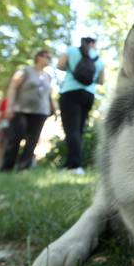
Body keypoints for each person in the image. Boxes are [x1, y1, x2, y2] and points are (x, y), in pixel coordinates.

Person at [0, 50, 55, 171]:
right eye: (48, 57)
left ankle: (24, 167)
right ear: (39, 57)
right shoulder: (25, 71)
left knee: (32, 140)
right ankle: (7, 167)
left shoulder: (48, 76)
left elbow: (49, 95)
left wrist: (54, 109)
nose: (49, 60)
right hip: (21, 110)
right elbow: (13, 87)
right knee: (15, 138)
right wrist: (9, 106)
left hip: (41, 112)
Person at [57, 37, 104, 175]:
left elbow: (60, 65)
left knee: (71, 130)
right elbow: (101, 81)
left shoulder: (72, 51)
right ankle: (72, 164)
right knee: (79, 130)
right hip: (88, 95)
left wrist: (72, 69)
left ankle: (74, 166)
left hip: (70, 92)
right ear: (93, 44)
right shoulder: (99, 60)